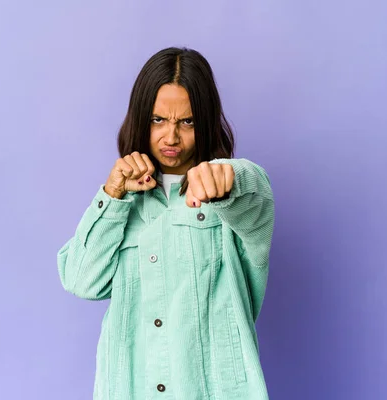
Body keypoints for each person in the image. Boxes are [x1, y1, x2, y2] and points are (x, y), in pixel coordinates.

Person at [57, 47, 275, 400]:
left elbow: (255, 193)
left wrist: (226, 176)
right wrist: (112, 196)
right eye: (158, 120)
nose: (171, 137)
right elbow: (81, 281)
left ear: (204, 122)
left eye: (186, 122)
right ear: (140, 118)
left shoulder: (231, 191)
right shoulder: (122, 200)